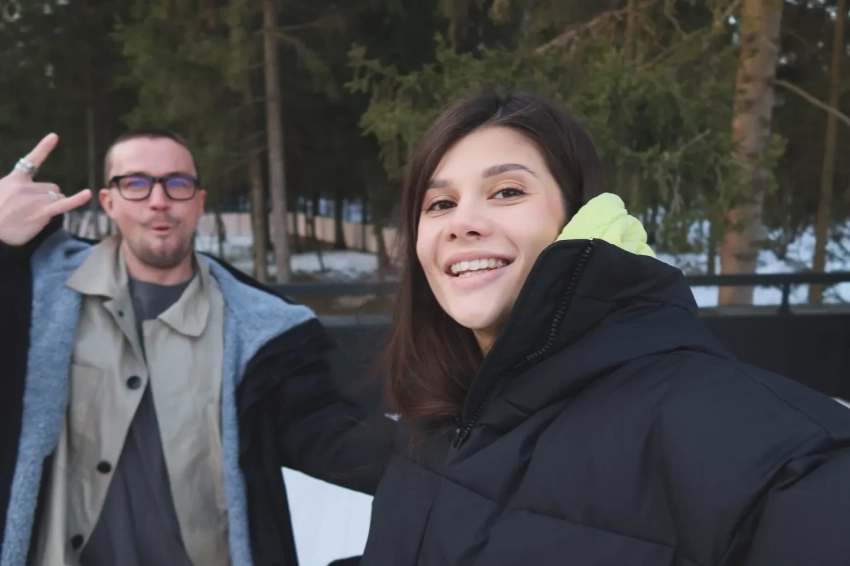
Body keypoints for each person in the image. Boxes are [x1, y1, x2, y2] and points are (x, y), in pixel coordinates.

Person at [358, 91, 850, 565]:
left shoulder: (694, 417)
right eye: (439, 204)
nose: (461, 222)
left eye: (507, 191)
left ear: (578, 218)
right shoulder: (437, 417)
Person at [0, 130, 394, 566]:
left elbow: (334, 439)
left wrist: (446, 458)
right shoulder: (37, 297)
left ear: (199, 202)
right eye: (136, 183)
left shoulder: (260, 332)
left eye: (177, 183)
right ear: (109, 202)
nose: (158, 200)